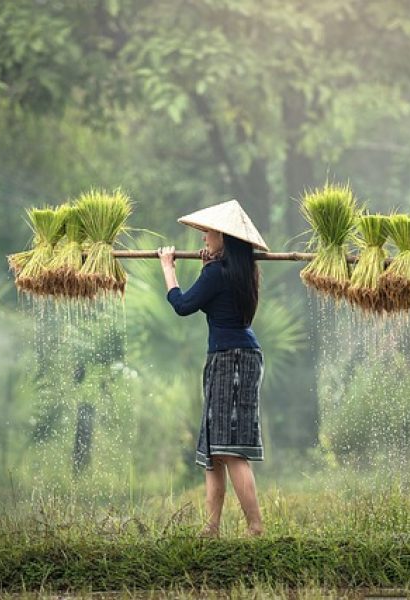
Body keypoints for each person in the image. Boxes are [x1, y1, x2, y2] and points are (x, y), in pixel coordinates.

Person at [157, 199, 269, 538]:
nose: (203, 238)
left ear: (223, 236)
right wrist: (210, 264)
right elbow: (214, 292)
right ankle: (212, 528)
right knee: (214, 449)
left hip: (232, 359)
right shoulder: (239, 271)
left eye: (208, 232)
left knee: (228, 449)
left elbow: (183, 305)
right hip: (232, 356)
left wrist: (168, 267)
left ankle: (255, 526)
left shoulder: (218, 274)